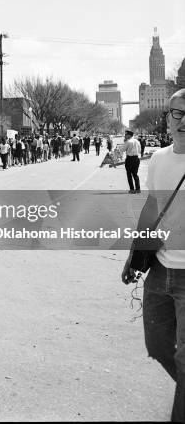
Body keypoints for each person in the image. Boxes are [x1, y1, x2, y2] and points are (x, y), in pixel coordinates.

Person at [122, 89, 185, 422]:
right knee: (159, 346)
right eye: (178, 113)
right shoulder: (159, 159)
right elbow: (152, 207)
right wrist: (134, 254)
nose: (184, 120)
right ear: (168, 117)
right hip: (160, 269)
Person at [123, 129, 141, 194]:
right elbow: (139, 151)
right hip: (136, 159)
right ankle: (138, 189)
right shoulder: (137, 141)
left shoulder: (128, 142)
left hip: (129, 159)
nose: (125, 136)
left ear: (129, 135)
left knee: (129, 174)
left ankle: (132, 189)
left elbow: (123, 149)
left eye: (126, 134)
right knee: (135, 174)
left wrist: (124, 142)